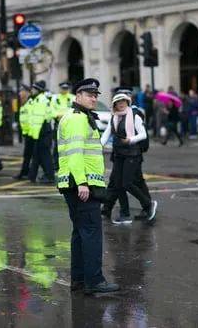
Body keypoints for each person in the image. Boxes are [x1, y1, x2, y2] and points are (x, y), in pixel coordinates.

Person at [57, 78, 119, 295]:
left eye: (95, 95)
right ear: (78, 96)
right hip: (81, 184)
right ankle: (94, 281)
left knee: (80, 232)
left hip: (74, 183)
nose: (94, 98)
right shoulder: (77, 120)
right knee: (91, 232)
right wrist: (82, 182)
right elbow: (75, 154)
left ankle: (80, 280)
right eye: (89, 94)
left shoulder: (78, 117)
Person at [101, 92, 157, 225]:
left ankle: (148, 204)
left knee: (127, 183)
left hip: (132, 154)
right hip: (119, 154)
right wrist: (97, 147)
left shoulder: (135, 115)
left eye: (123, 101)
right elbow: (106, 134)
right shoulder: (114, 117)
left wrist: (130, 140)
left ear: (127, 102)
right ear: (114, 105)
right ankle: (124, 214)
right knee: (119, 185)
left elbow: (143, 135)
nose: (121, 104)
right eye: (118, 102)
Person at [28, 81, 55, 184]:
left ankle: (49, 176)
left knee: (45, 156)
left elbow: (41, 118)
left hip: (43, 130)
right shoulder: (37, 99)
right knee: (37, 155)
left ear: (38, 90)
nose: (32, 90)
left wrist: (36, 133)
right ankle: (32, 175)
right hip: (39, 131)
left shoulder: (41, 100)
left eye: (34, 89)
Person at [51, 82, 75, 170]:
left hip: (69, 124)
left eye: (66, 88)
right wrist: (60, 115)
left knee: (69, 145)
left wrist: (62, 114)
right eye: (63, 88)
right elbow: (52, 111)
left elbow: (73, 110)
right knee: (57, 146)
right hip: (58, 124)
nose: (64, 90)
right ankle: (56, 164)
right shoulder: (55, 98)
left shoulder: (72, 98)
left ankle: (67, 164)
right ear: (60, 88)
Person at [13, 84, 34, 180]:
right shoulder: (24, 103)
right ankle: (27, 172)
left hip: (32, 133)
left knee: (32, 155)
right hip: (27, 133)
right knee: (29, 155)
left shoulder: (31, 103)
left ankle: (27, 173)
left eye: (21, 91)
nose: (19, 93)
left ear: (27, 92)